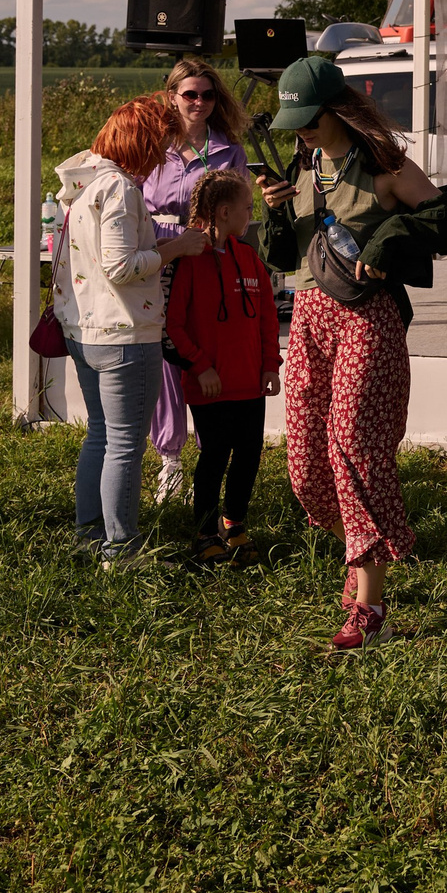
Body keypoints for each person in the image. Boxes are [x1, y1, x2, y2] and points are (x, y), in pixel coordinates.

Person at [258, 56, 447, 648]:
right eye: (293, 120)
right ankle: (359, 548)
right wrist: (274, 215)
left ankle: (369, 608)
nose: (299, 130)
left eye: (308, 119)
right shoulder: (303, 167)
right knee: (304, 460)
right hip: (308, 319)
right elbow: (282, 257)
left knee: (354, 444)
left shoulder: (385, 166)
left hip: (367, 318)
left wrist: (391, 234)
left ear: (337, 111)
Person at [54, 94, 210, 564]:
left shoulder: (84, 183)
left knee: (100, 435)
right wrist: (177, 246)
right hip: (125, 334)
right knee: (124, 444)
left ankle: (89, 535)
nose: (164, 153)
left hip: (84, 330)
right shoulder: (119, 188)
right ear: (143, 139)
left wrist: (158, 240)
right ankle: (120, 547)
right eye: (163, 142)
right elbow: (121, 267)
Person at [140, 58, 252, 507]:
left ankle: (212, 455)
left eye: (207, 94)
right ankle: (170, 459)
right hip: (160, 259)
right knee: (167, 355)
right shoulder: (152, 145)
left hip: (208, 258)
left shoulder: (229, 150)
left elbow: (240, 212)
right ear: (172, 97)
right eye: (190, 94)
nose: (200, 103)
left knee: (205, 352)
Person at [167, 170, 280, 569]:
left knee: (249, 454)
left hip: (250, 382)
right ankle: (204, 533)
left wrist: (270, 365)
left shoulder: (249, 256)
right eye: (248, 208)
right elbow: (174, 325)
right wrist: (200, 367)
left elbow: (268, 317)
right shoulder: (189, 260)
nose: (252, 213)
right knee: (214, 455)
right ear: (225, 211)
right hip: (210, 385)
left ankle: (234, 522)